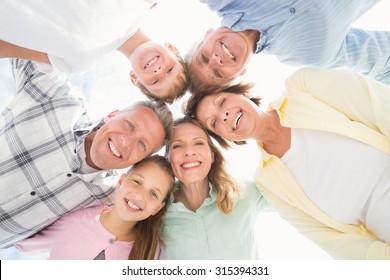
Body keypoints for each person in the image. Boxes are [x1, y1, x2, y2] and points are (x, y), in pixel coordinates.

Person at [185, 67, 390, 259]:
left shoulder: (301, 87)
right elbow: (334, 242)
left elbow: (379, 104)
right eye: (214, 123)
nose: (224, 115)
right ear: (225, 138)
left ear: (240, 93)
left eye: (222, 102)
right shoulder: (268, 182)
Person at [0, 58, 173, 249]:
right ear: (112, 114)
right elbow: (22, 35)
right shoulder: (58, 97)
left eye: (142, 145)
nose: (126, 142)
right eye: (129, 125)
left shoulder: (107, 196)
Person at [0, 0, 189, 103]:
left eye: (155, 81)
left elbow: (7, 48)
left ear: (135, 79)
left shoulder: (81, 62)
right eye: (170, 69)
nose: (158, 71)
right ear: (172, 48)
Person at [186, 0, 390, 92]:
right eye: (218, 73)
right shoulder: (307, 54)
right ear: (241, 73)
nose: (215, 60)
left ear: (206, 35)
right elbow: (383, 60)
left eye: (203, 57)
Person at [14, 155, 175, 260]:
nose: (140, 195)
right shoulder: (75, 218)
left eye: (153, 194)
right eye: (137, 182)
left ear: (157, 208)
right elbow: (21, 239)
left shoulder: (151, 253)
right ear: (121, 181)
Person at [160, 117, 269, 259]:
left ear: (212, 155)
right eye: (178, 146)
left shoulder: (244, 191)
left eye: (198, 143)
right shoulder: (157, 210)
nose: (189, 152)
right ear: (167, 159)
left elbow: (295, 193)